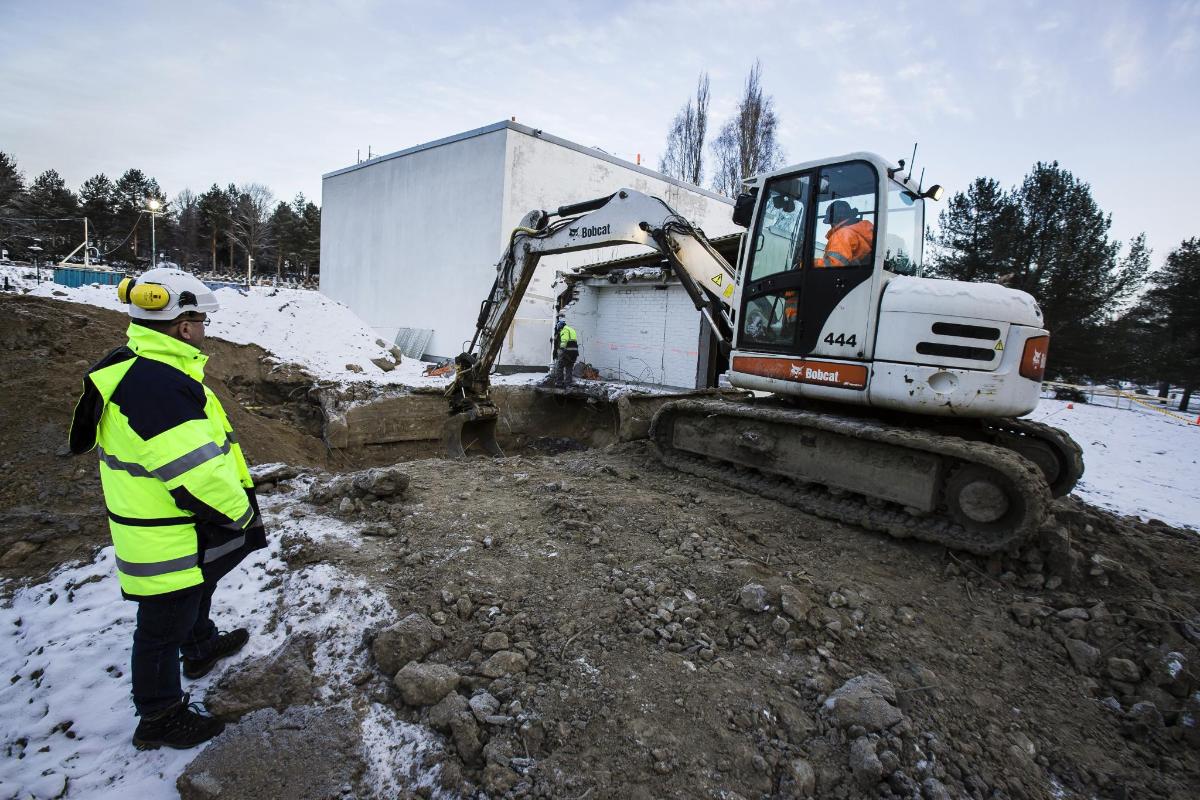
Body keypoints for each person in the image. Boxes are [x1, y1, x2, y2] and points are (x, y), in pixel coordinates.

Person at [68, 267, 267, 750]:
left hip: (171, 523)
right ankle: (160, 717)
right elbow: (195, 472)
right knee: (160, 628)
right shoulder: (156, 386)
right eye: (200, 319)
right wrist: (239, 512)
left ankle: (199, 647)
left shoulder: (142, 365)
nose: (204, 328)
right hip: (166, 531)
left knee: (199, 587)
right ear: (183, 326)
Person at [814, 200, 875, 268]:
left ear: (836, 218)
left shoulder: (841, 235)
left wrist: (809, 264)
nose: (831, 225)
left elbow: (834, 265)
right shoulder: (860, 231)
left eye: (831, 221)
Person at [552, 318, 580, 387]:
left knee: (559, 366)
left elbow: (564, 339)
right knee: (569, 367)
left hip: (567, 352)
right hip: (574, 353)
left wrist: (561, 348)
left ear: (560, 326)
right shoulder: (572, 330)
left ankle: (559, 383)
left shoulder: (564, 330)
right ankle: (568, 382)